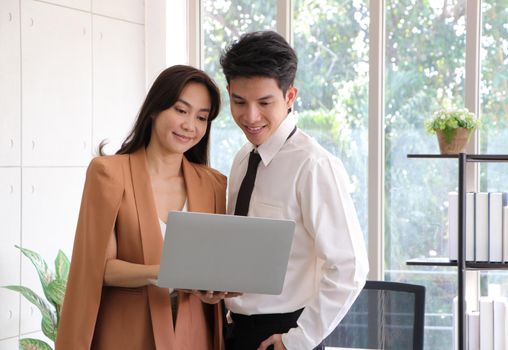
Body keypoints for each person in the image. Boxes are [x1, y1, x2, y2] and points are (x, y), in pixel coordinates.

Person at [56, 65, 235, 350]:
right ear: (154, 109)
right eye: (180, 110)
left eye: (202, 117)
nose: (191, 125)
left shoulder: (213, 184)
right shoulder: (108, 173)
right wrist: (166, 272)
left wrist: (212, 291)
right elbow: (101, 268)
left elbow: (210, 268)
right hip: (127, 333)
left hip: (192, 335)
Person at [220, 31, 369, 350]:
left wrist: (298, 340)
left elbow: (350, 268)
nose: (250, 116)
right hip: (235, 332)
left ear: (290, 97)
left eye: (264, 102)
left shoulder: (313, 164)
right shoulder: (243, 158)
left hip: (284, 333)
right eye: (239, 101)